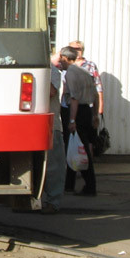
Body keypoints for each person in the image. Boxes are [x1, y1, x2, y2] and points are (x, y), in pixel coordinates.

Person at [59, 46, 98, 196]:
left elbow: (74, 98)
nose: (60, 62)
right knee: (74, 148)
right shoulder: (84, 72)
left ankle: (90, 185)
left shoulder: (71, 73)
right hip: (86, 111)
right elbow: (95, 95)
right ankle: (69, 184)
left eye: (62, 59)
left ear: (66, 59)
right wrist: (94, 115)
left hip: (77, 112)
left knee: (80, 149)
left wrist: (72, 120)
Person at [41, 52, 67, 214]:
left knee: (53, 166)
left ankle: (53, 201)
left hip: (51, 125)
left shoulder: (52, 71)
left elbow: (51, 91)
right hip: (34, 123)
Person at [69, 40, 104, 121]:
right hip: (69, 105)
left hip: (86, 105)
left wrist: (100, 107)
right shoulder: (66, 65)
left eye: (78, 49)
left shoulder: (90, 65)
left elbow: (98, 86)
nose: (76, 51)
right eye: (73, 49)